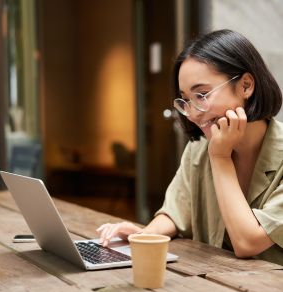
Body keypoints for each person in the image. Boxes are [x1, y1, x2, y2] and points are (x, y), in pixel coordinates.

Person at [97, 29, 283, 265]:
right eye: (186, 100)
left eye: (202, 94)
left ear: (246, 86)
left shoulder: (216, 150)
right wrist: (143, 236)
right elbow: (176, 211)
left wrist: (220, 158)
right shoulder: (200, 147)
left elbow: (247, 243)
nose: (193, 113)